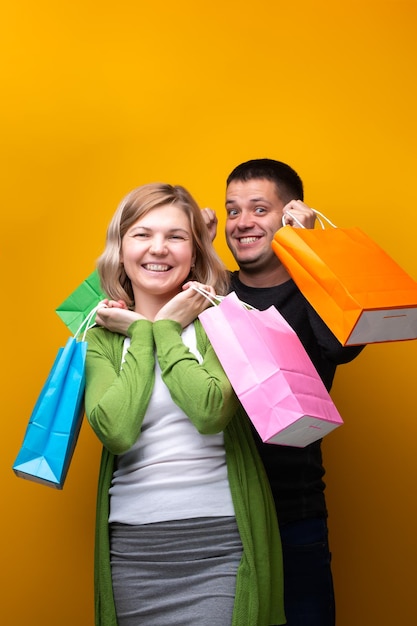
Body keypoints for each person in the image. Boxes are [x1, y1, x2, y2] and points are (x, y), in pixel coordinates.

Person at [84, 182, 285, 626]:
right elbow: (115, 431)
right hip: (133, 553)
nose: (159, 248)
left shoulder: (226, 323)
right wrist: (142, 332)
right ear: (121, 250)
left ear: (195, 252)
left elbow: (211, 412)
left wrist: (167, 330)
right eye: (142, 234)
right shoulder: (100, 338)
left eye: (175, 236)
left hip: (221, 546)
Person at [203, 159, 364, 626]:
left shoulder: (319, 290)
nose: (242, 222)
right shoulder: (213, 292)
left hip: (292, 512)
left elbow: (339, 347)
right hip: (216, 515)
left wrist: (308, 249)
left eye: (259, 208)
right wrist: (198, 249)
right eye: (233, 211)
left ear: (290, 214)